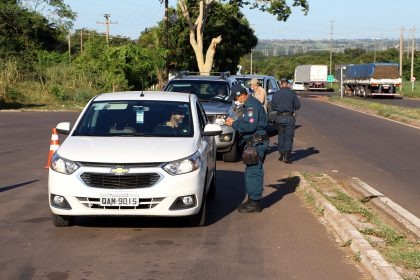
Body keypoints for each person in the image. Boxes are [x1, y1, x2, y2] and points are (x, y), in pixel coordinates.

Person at [225, 84, 269, 213]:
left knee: (254, 172)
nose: (235, 100)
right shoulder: (248, 104)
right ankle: (252, 199)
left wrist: (233, 123)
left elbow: (250, 126)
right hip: (252, 143)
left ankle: (254, 202)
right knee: (251, 171)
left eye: (236, 97)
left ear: (242, 95)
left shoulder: (251, 106)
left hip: (256, 143)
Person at [271, 78, 301, 164]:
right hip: (289, 118)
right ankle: (287, 154)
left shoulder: (276, 94)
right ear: (287, 84)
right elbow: (298, 106)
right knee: (289, 136)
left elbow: (273, 107)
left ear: (280, 84)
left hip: (279, 117)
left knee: (281, 136)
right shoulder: (292, 94)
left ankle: (282, 153)